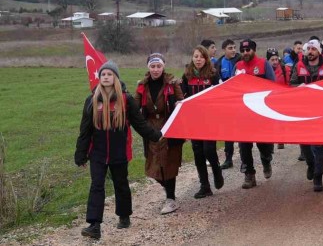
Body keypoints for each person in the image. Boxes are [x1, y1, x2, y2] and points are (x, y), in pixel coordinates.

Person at [75, 61, 163, 240]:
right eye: (103, 74)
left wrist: (156, 135)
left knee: (121, 184)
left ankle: (124, 216)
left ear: (115, 77)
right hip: (97, 153)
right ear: (99, 78)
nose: (106, 77)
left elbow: (139, 123)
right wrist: (81, 154)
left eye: (109, 74)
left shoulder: (126, 99)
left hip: (119, 152)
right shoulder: (91, 100)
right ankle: (94, 225)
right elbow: (85, 130)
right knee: (97, 186)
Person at [134, 53, 184, 215]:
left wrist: (178, 103)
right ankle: (168, 190)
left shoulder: (172, 84)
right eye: (153, 66)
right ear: (148, 67)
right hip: (150, 130)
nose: (156, 69)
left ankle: (170, 199)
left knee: (169, 163)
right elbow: (134, 107)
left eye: (159, 66)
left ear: (163, 67)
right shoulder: (142, 86)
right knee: (153, 165)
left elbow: (181, 102)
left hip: (169, 127)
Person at [290, 39, 323, 191]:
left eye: (313, 49)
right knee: (304, 143)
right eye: (308, 49)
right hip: (304, 111)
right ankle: (310, 164)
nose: (310, 52)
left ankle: (318, 175)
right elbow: (292, 84)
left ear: (319, 51)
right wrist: (299, 87)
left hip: (322, 111)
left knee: (320, 144)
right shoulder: (299, 65)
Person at [182, 46, 224, 199]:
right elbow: (182, 95)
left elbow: (220, 94)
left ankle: (216, 170)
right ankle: (204, 186)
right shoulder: (187, 75)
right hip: (194, 120)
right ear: (192, 58)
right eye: (195, 56)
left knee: (209, 150)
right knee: (198, 152)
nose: (198, 59)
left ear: (206, 59)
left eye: (201, 57)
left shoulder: (213, 74)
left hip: (209, 120)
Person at [235, 38, 276, 188]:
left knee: (263, 143)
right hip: (244, 114)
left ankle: (266, 160)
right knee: (244, 145)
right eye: (243, 50)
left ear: (254, 50)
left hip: (260, 112)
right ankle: (249, 175)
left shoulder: (264, 65)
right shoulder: (238, 66)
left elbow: (273, 85)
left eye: (248, 50)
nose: (245, 53)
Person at [215, 39, 240, 169]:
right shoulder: (219, 64)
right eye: (230, 48)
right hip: (227, 102)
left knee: (242, 128)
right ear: (224, 49)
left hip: (241, 101)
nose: (234, 50)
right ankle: (228, 158)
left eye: (234, 47)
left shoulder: (241, 61)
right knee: (228, 130)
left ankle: (246, 154)